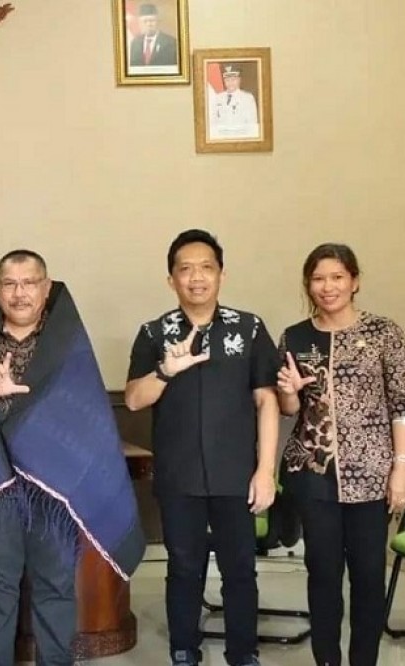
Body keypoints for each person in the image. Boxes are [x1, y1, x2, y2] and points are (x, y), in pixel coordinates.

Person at [0, 249, 145, 666]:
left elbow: (84, 415)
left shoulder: (67, 345)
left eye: (29, 283)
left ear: (47, 287)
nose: (19, 293)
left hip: (52, 488)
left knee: (55, 585)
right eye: (10, 284)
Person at [124, 229, 280, 666]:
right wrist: (166, 370)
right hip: (180, 475)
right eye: (185, 269)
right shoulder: (155, 332)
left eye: (206, 267)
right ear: (171, 279)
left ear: (221, 275)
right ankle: (183, 649)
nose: (196, 277)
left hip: (237, 474)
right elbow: (134, 399)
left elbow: (267, 399)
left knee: (240, 571)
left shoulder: (248, 328)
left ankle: (243, 653)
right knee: (184, 568)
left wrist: (265, 469)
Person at [276, 243, 405, 666]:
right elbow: (289, 410)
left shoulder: (384, 333)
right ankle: (327, 659)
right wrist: (290, 394)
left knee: (369, 576)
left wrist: (400, 468)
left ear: (354, 281)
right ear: (307, 285)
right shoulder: (295, 337)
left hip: (373, 475)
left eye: (336, 277)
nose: (327, 287)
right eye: (318, 278)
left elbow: (400, 406)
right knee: (323, 575)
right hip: (314, 472)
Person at [209, 65, 259, 136]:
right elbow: (212, 121)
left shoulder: (247, 98)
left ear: (239, 80)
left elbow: (252, 124)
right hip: (221, 137)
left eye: (233, 79)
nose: (230, 83)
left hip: (241, 137)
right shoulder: (218, 98)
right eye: (227, 80)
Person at [128, 3, 179, 68]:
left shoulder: (170, 43)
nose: (149, 24)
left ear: (157, 22)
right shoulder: (135, 43)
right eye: (145, 21)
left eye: (152, 21)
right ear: (140, 23)